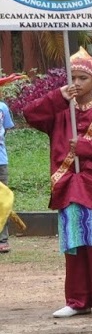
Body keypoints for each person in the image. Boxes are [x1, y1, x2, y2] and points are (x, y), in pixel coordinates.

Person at [19, 48, 92, 317]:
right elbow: (30, 115)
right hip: (67, 185)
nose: (77, 83)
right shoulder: (60, 111)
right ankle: (77, 300)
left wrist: (88, 148)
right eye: (73, 77)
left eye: (82, 78)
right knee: (74, 242)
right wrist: (57, 97)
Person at [0, 96, 12, 254]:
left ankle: (2, 239)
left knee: (2, 201)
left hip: (0, 161)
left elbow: (6, 129)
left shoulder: (2, 107)